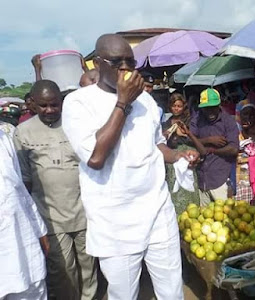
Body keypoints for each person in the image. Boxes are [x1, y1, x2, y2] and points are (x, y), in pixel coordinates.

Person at [62, 33, 199, 300]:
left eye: (130, 62)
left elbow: (156, 145)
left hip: (158, 210)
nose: (125, 68)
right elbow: (96, 157)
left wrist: (178, 156)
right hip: (115, 221)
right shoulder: (78, 102)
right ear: (97, 64)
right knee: (124, 294)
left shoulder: (146, 101)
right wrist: (123, 102)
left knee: (172, 289)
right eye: (116, 62)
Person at [13, 80, 98, 300]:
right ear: (33, 104)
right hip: (50, 216)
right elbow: (24, 180)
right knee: (62, 270)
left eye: (54, 104)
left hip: (84, 211)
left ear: (61, 102)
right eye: (43, 106)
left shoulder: (76, 125)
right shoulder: (23, 132)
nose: (49, 110)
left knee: (89, 265)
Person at [0, 130, 49, 300]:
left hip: (21, 241)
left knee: (30, 288)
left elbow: (19, 189)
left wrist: (39, 230)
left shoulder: (3, 138)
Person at [190, 88, 239, 206]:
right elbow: (189, 140)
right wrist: (209, 140)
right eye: (206, 108)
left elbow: (234, 149)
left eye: (213, 107)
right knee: (204, 220)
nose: (210, 112)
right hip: (202, 180)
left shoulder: (228, 121)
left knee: (224, 216)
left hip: (220, 179)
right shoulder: (197, 119)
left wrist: (212, 150)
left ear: (219, 106)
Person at [161, 93, 200, 214]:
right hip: (172, 158)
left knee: (188, 183)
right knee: (174, 186)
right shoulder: (167, 123)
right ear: (170, 107)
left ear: (184, 107)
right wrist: (169, 132)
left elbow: (194, 139)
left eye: (179, 106)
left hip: (187, 156)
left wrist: (183, 133)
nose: (176, 108)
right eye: (174, 106)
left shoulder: (189, 121)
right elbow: (162, 141)